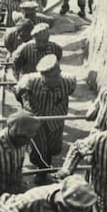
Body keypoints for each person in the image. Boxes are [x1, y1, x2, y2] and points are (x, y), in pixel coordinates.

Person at [15, 54, 76, 184]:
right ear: (42, 75)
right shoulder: (30, 81)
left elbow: (70, 92)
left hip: (56, 118)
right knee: (39, 149)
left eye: (55, 76)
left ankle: (45, 165)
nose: (52, 80)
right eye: (48, 77)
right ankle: (42, 172)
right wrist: (26, 106)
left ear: (60, 72)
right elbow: (18, 92)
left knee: (54, 147)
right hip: (37, 118)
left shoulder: (69, 82)